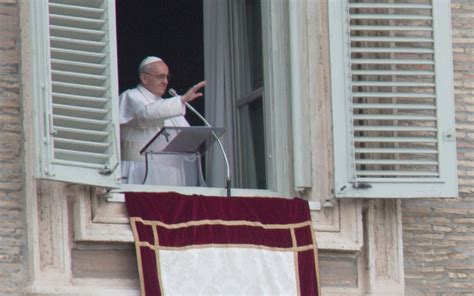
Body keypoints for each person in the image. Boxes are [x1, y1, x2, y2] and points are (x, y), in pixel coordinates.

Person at [119, 56, 206, 185]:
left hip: (171, 176)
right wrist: (181, 100)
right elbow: (146, 114)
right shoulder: (130, 96)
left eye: (167, 77)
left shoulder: (168, 105)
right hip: (140, 172)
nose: (165, 81)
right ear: (144, 78)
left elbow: (188, 135)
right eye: (160, 76)